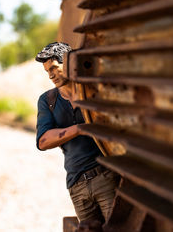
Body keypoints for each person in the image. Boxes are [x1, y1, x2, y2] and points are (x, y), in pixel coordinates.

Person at [35, 42, 119, 225]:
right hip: (76, 184)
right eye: (47, 71)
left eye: (54, 68)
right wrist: (80, 129)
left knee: (117, 228)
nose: (50, 75)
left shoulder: (93, 91)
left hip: (105, 177)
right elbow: (43, 141)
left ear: (69, 63)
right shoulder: (47, 100)